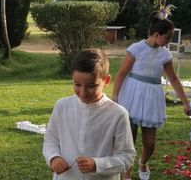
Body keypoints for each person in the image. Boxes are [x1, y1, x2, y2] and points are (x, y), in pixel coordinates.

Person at [111, 19, 191, 180]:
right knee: (129, 138)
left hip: (151, 98)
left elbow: (174, 79)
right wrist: (115, 96)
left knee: (150, 143)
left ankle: (143, 162)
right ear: (157, 34)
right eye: (167, 37)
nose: (169, 41)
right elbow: (121, 73)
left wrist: (185, 102)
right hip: (131, 95)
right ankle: (126, 174)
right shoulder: (136, 49)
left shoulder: (165, 54)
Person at [43, 49, 136, 179]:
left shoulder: (118, 114)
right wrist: (53, 157)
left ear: (106, 81)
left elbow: (127, 157)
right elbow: (50, 139)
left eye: (91, 86)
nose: (83, 92)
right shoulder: (62, 106)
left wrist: (97, 164)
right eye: (77, 84)